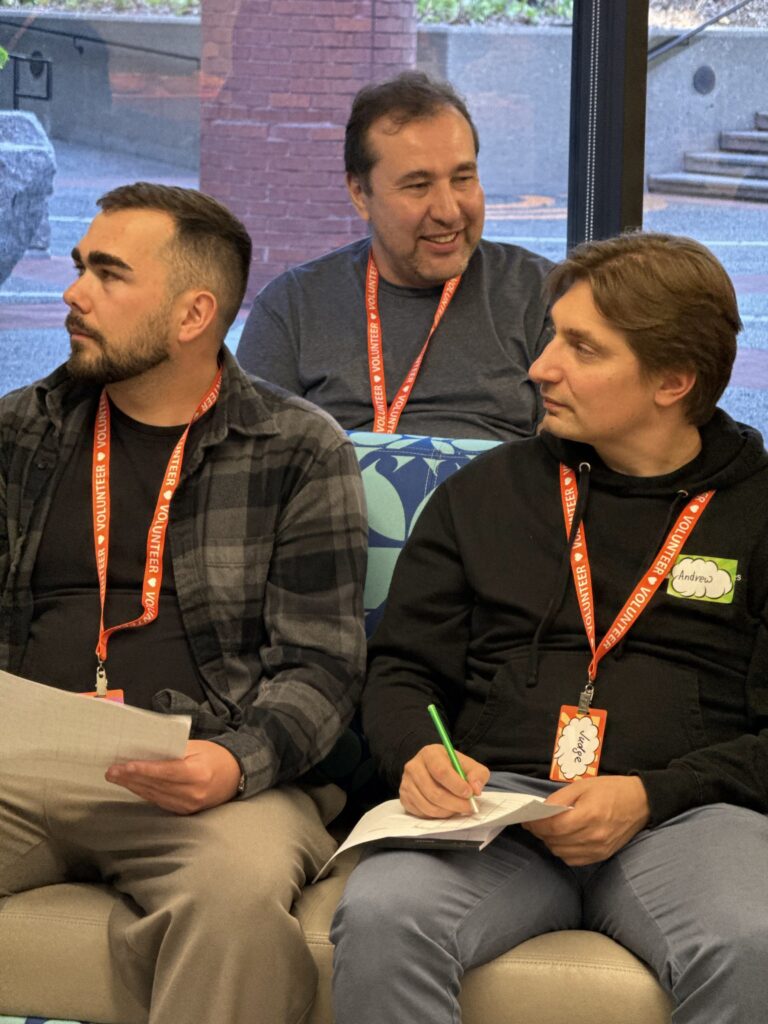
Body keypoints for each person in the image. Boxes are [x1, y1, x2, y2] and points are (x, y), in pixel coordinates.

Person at [331, 232, 768, 1024]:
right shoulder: (485, 494)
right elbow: (401, 668)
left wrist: (650, 793)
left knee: (751, 939)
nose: (539, 367)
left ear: (673, 379)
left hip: (687, 814)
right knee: (384, 915)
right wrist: (419, 751)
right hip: (499, 808)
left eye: (582, 348)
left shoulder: (758, 510)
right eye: (551, 336)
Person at [0, 182, 367, 1024]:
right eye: (78, 266)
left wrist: (236, 763)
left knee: (235, 901)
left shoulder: (298, 448)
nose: (73, 293)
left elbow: (323, 666)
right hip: (23, 761)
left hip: (206, 772)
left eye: (108, 274)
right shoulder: (21, 431)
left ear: (193, 313)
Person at [236, 70, 553, 441]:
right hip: (337, 496)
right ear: (359, 193)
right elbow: (251, 463)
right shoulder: (292, 307)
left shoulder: (544, 294)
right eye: (418, 186)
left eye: (463, 178)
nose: (449, 211)